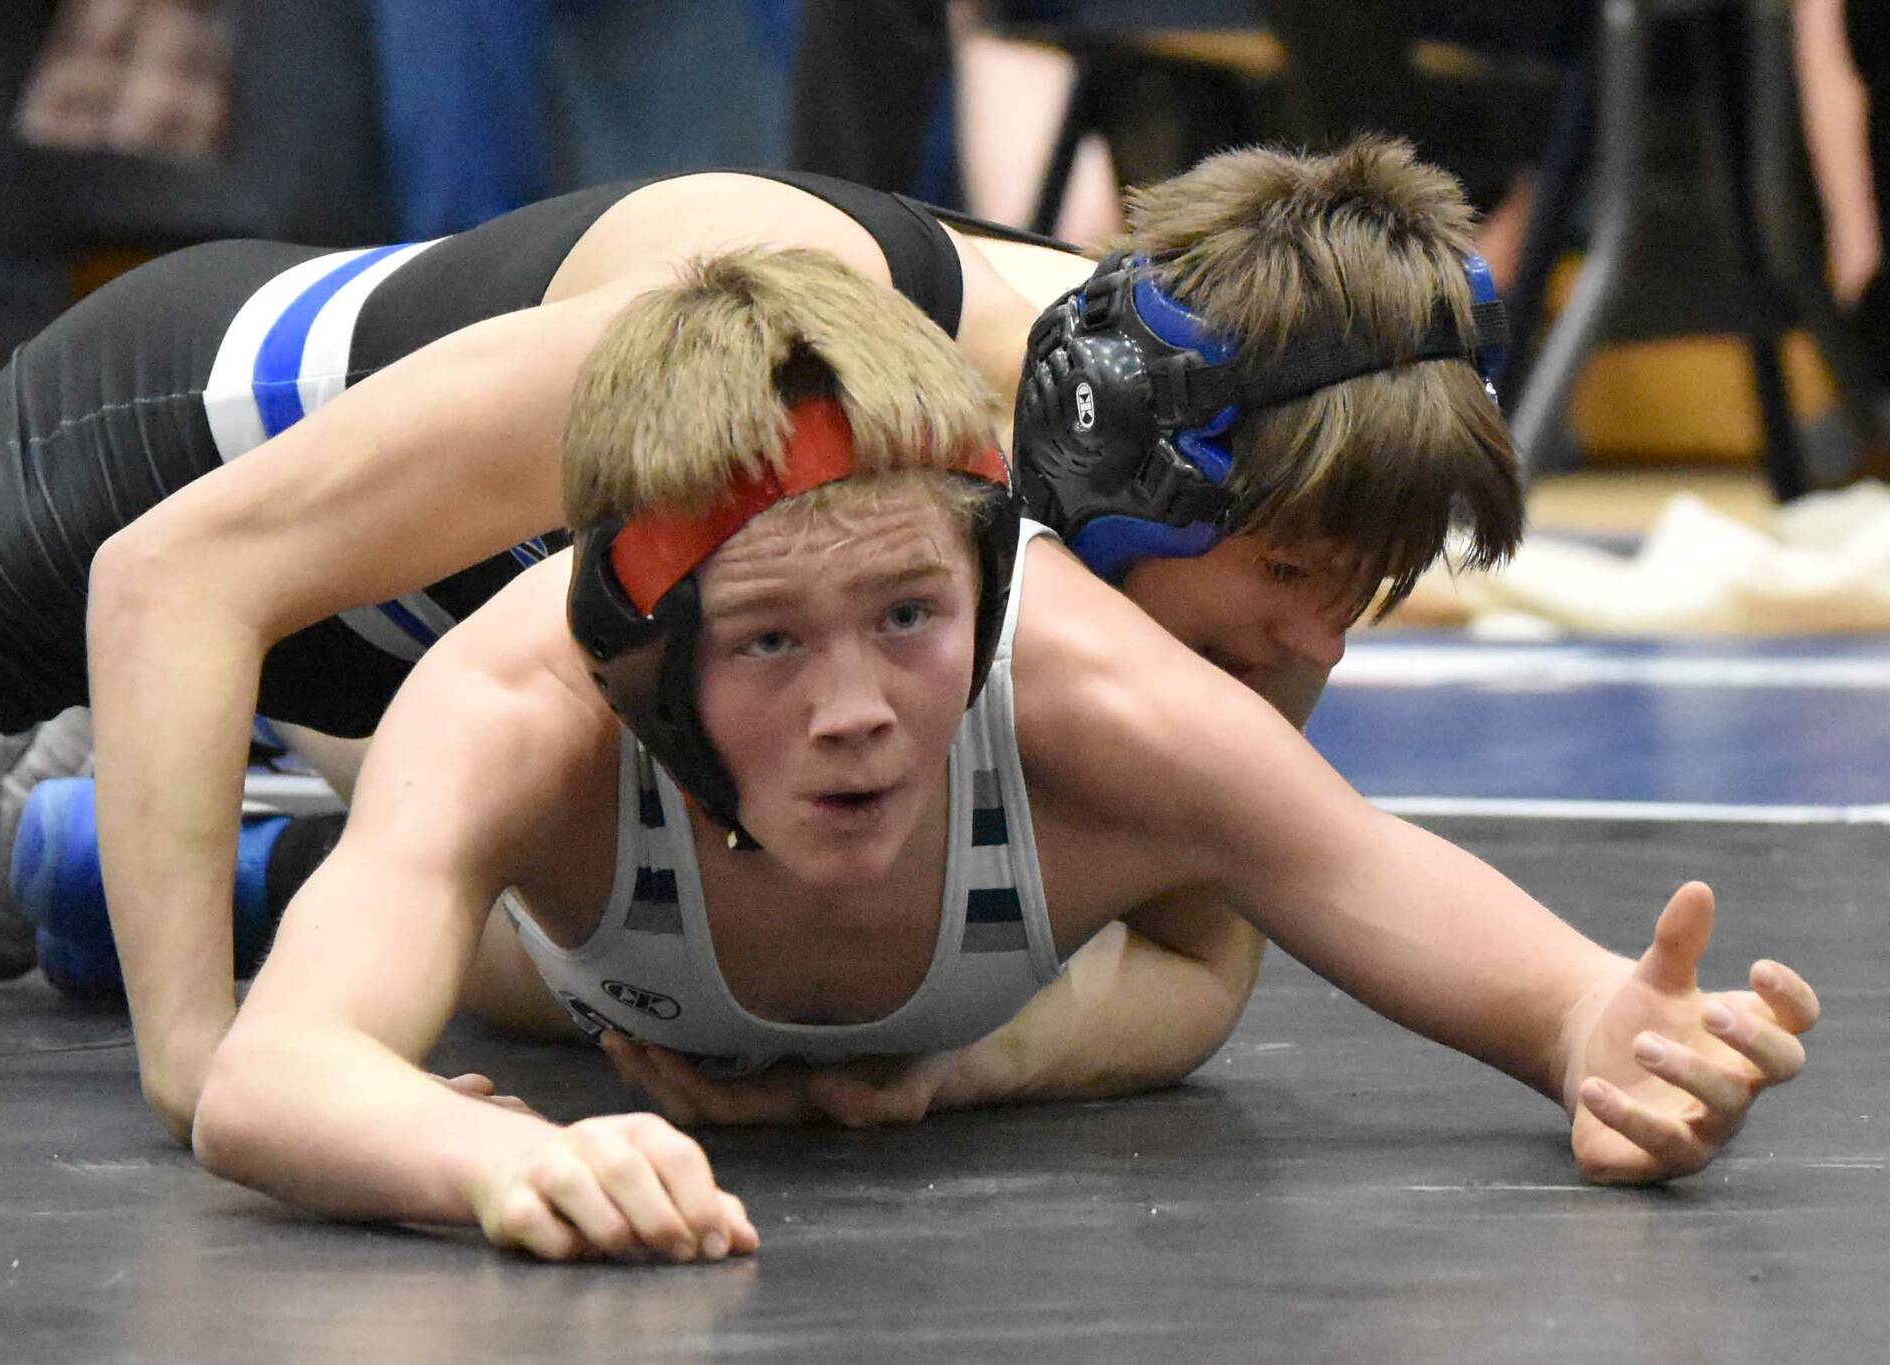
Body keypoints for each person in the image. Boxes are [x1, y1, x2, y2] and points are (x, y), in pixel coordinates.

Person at [0, 140, 1519, 1140]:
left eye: (1358, 596)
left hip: (466, 643)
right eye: (1298, 581)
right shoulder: (776, 325)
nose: (1311, 646)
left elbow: (1196, 959)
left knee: (709, 913)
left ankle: (188, 841)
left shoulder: (1246, 523)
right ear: (1130, 471)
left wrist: (947, 1061)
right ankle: (166, 819)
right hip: (154, 467)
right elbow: (173, 574)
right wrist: (201, 1063)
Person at [189, 246, 1818, 1261]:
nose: (855, 707)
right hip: (565, 961)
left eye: (907, 615)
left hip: (774, 966)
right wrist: (500, 1155)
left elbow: (1442, 921)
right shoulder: (525, 708)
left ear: (984, 578)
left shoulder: (1094, 694)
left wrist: (1613, 1031)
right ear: (645, 659)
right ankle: (257, 847)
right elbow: (271, 1077)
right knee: (387, 804)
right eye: (769, 641)